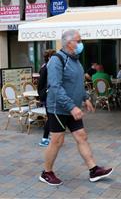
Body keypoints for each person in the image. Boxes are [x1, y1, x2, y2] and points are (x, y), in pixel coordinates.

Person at [39, 30, 113, 186]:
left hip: (72, 107)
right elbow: (55, 87)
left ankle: (94, 170)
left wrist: (85, 98)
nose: (81, 44)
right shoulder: (56, 60)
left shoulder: (75, 60)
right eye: (78, 41)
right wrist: (72, 106)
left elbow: (77, 83)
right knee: (57, 141)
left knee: (81, 136)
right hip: (58, 108)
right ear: (69, 43)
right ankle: (46, 172)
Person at [38, 49, 56, 147]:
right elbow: (41, 85)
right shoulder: (46, 68)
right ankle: (44, 139)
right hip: (47, 96)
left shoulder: (48, 67)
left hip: (49, 95)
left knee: (51, 117)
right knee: (50, 117)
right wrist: (44, 94)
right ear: (49, 57)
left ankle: (50, 137)